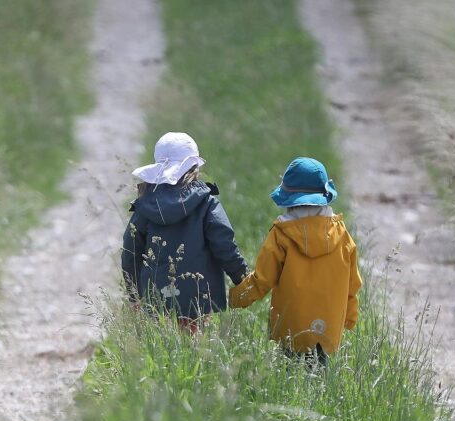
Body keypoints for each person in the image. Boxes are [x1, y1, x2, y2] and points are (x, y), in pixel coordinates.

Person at [229, 157, 362, 365]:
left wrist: (236, 298)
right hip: (329, 325)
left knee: (290, 376)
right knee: (319, 379)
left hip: (291, 328)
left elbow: (263, 280)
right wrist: (350, 316)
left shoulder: (282, 234)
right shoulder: (342, 235)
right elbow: (352, 284)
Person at [121, 132, 247, 332]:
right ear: (194, 167)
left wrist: (134, 293)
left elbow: (130, 249)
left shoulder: (146, 205)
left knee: (162, 342)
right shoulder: (206, 203)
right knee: (192, 340)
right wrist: (242, 277)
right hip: (197, 291)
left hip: (155, 293)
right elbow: (224, 245)